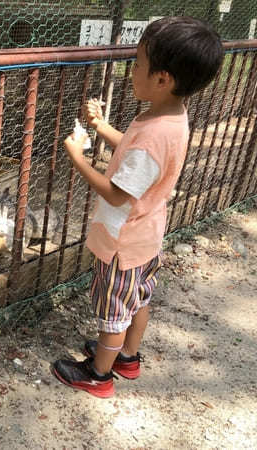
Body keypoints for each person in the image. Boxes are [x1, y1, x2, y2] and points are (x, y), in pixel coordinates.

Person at [52, 17, 224, 398]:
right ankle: (128, 356)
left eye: (139, 63)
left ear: (162, 78)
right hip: (147, 236)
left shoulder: (152, 135)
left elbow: (116, 193)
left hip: (122, 242)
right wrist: (102, 127)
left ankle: (98, 375)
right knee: (139, 298)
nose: (133, 70)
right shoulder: (169, 117)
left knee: (114, 310)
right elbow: (134, 155)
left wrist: (78, 158)